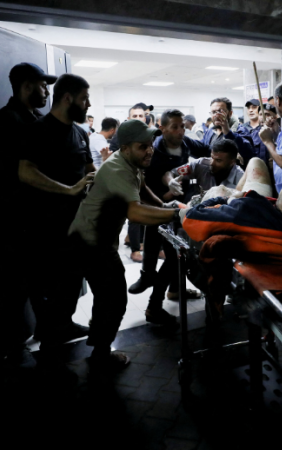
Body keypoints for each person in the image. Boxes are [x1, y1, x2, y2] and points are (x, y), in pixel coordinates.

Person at [68, 119, 184, 370]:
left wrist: (163, 206)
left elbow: (141, 188)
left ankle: (97, 344)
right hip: (89, 243)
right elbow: (135, 213)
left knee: (105, 297)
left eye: (150, 145)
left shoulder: (132, 163)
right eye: (143, 146)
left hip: (96, 240)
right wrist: (178, 215)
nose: (150, 150)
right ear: (125, 147)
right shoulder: (117, 169)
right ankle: (100, 355)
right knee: (114, 299)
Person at [180, 162, 282, 322]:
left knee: (249, 166)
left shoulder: (245, 212)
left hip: (235, 213)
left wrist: (226, 199)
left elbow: (190, 218)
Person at [17, 73, 96, 367]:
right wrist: (68, 190)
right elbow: (25, 171)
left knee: (72, 283)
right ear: (67, 98)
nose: (88, 104)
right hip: (45, 227)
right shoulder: (37, 130)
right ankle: (51, 358)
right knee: (49, 288)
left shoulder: (80, 133)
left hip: (77, 225)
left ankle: (65, 325)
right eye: (84, 98)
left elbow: (88, 171)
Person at [0, 61, 56, 367]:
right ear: (26, 86)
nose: (47, 91)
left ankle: (49, 331)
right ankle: (15, 348)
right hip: (15, 225)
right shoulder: (6, 124)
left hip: (35, 223)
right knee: (14, 291)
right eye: (43, 85)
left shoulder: (32, 119)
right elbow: (9, 180)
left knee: (41, 286)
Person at [127, 109, 211, 321]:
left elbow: (207, 150)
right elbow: (147, 189)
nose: (181, 131)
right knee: (171, 254)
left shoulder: (186, 143)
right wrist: (166, 196)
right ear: (162, 129)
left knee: (176, 254)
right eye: (175, 127)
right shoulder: (153, 152)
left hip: (179, 205)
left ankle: (174, 289)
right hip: (159, 203)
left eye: (182, 126)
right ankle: (150, 286)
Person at [111, 102, 153, 262]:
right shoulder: (121, 135)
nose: (138, 118)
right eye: (134, 116)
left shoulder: (149, 134)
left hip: (144, 178)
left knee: (146, 211)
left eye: (141, 116)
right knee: (134, 213)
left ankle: (137, 241)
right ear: (128, 118)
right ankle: (135, 249)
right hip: (127, 179)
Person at [202, 97, 257, 166]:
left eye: (220, 112)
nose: (216, 115)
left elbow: (248, 153)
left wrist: (228, 132)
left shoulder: (240, 130)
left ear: (230, 113)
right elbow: (202, 149)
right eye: (213, 112)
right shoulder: (210, 131)